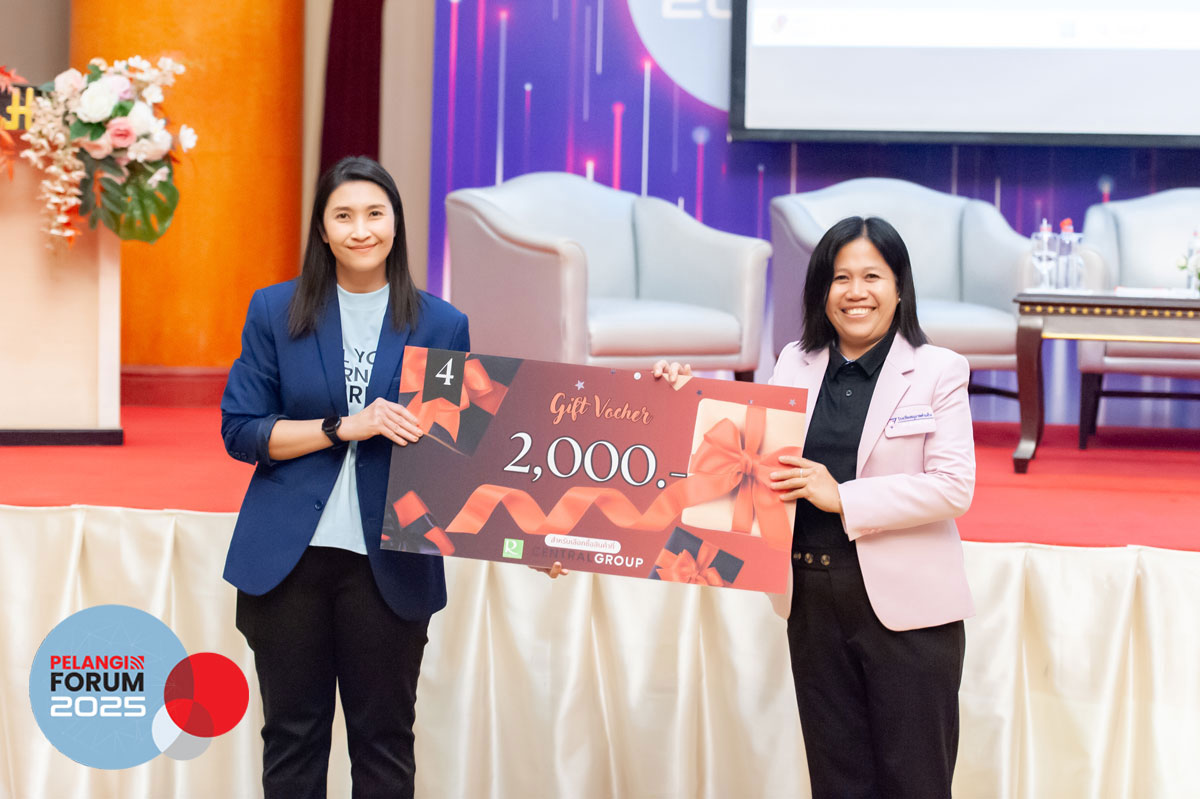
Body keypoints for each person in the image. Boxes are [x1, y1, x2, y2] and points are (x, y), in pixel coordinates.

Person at [653, 215, 975, 798]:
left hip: (908, 613)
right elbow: (744, 451)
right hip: (810, 600)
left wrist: (841, 495)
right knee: (835, 784)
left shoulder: (938, 370)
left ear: (899, 287)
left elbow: (953, 487)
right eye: (839, 277)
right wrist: (683, 395)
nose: (855, 292)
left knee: (917, 783)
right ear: (821, 291)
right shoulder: (793, 363)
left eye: (872, 276)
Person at [221, 156, 469, 799]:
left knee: (385, 746)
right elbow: (242, 431)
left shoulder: (442, 324)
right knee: (292, 742)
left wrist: (541, 537)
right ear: (322, 230)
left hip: (391, 564)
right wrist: (344, 427)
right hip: (288, 560)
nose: (361, 230)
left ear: (397, 224)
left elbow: (454, 451)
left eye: (375, 214)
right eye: (344, 216)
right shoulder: (276, 311)